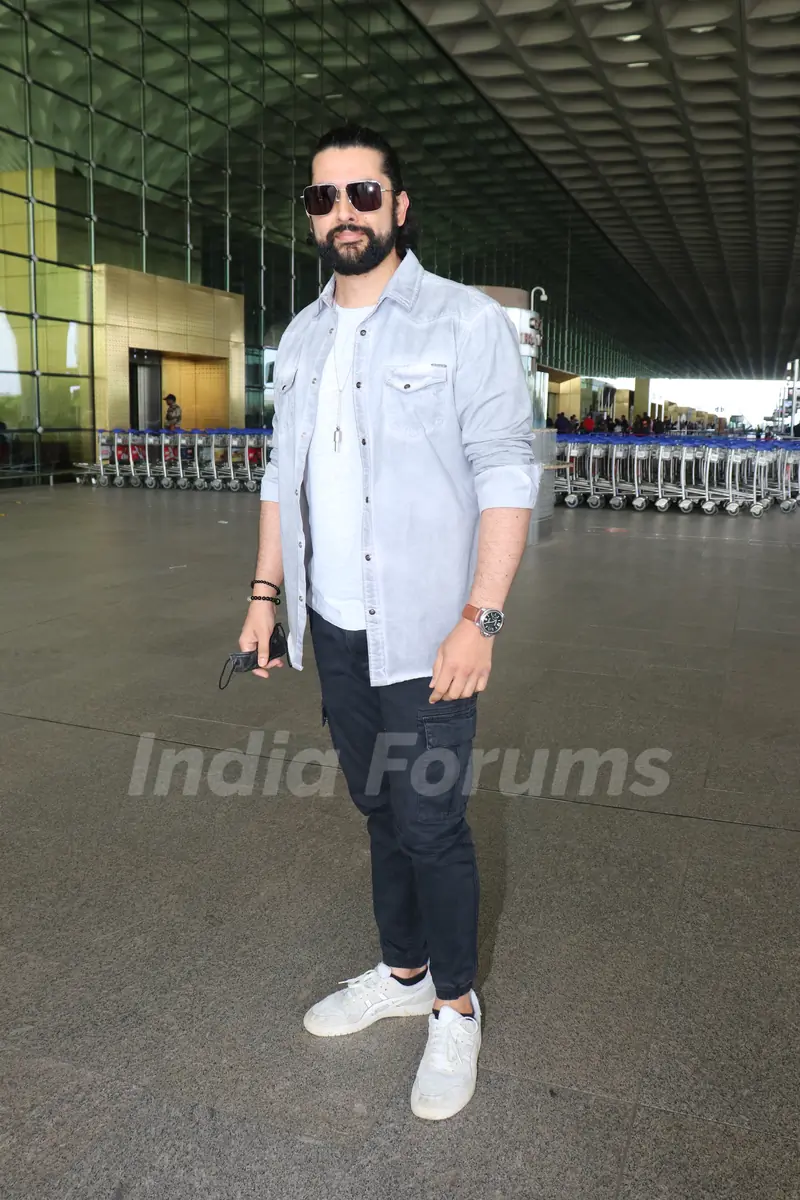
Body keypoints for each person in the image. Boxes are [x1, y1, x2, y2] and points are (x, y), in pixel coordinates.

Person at [238, 125, 537, 1122]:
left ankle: (455, 1006)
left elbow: (504, 468)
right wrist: (264, 599)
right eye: (323, 200)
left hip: (430, 630)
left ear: (398, 205)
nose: (344, 214)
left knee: (431, 823)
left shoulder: (462, 324)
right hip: (336, 628)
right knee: (378, 809)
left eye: (362, 193)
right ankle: (402, 975)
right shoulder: (302, 336)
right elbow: (284, 478)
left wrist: (479, 620)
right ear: (312, 217)